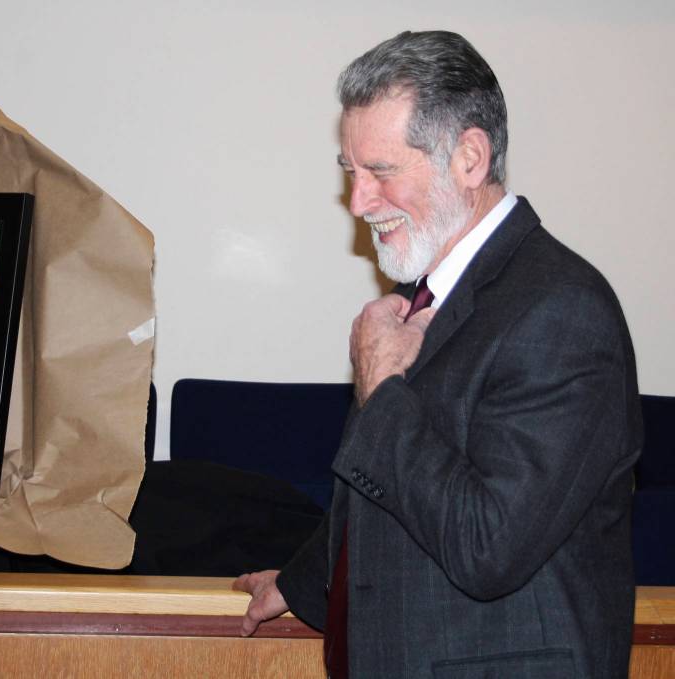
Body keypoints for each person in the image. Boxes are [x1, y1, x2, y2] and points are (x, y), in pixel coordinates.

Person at [234, 31, 641, 678]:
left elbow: (490, 545)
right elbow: (387, 492)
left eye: (382, 172)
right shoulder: (425, 296)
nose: (359, 201)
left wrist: (385, 390)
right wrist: (304, 581)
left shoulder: (564, 311)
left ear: (470, 158)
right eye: (351, 173)